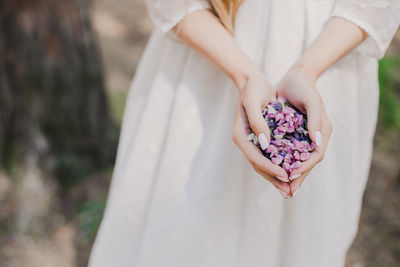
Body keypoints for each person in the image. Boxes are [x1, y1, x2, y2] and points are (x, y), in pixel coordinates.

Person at [88, 0, 400, 266]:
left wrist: (307, 71)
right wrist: (245, 75)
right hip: (214, 46)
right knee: (184, 232)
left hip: (329, 50)